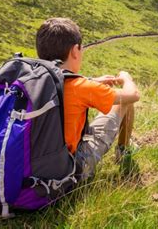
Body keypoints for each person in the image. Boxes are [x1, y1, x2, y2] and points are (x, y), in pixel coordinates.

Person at [35, 17, 140, 180]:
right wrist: (126, 79)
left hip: (28, 169)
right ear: (75, 51)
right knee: (124, 102)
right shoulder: (79, 87)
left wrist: (92, 80)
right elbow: (133, 96)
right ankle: (123, 151)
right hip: (67, 172)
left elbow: (60, 80)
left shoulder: (28, 80)